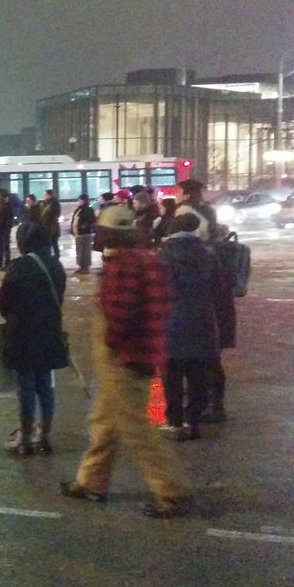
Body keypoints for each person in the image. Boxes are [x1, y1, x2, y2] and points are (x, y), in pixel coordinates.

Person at [60, 204, 191, 518]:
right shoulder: (149, 260)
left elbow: (121, 315)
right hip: (145, 352)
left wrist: (114, 346)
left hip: (124, 358)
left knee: (137, 428)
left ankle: (171, 490)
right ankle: (90, 481)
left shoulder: (123, 265)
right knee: (105, 421)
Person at [0, 222, 67, 456]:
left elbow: (4, 302)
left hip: (23, 334)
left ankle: (24, 438)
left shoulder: (19, 267)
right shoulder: (56, 265)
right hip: (49, 331)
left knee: (25, 386)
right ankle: (44, 434)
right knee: (45, 384)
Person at [158, 212, 226, 441]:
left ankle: (174, 423)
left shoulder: (163, 255)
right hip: (202, 322)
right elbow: (220, 291)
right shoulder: (209, 255)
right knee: (198, 376)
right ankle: (193, 420)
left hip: (170, 323)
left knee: (171, 377)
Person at [70, 193, 96, 274]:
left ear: (84, 200)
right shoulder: (79, 209)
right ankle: (81, 266)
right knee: (79, 251)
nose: (79, 201)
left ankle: (86, 267)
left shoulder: (88, 209)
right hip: (78, 233)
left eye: (80, 200)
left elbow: (91, 220)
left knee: (85, 250)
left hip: (84, 233)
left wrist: (84, 226)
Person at [0, 192, 15, 270]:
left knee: (5, 247)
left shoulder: (7, 206)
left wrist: (8, 227)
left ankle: (7, 263)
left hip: (4, 228)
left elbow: (9, 218)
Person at [40, 190, 61, 258]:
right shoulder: (44, 204)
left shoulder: (54, 204)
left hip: (52, 228)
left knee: (54, 244)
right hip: (45, 227)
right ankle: (48, 258)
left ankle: (56, 259)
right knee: (47, 245)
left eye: (45, 195)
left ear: (50, 195)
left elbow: (56, 215)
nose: (44, 196)